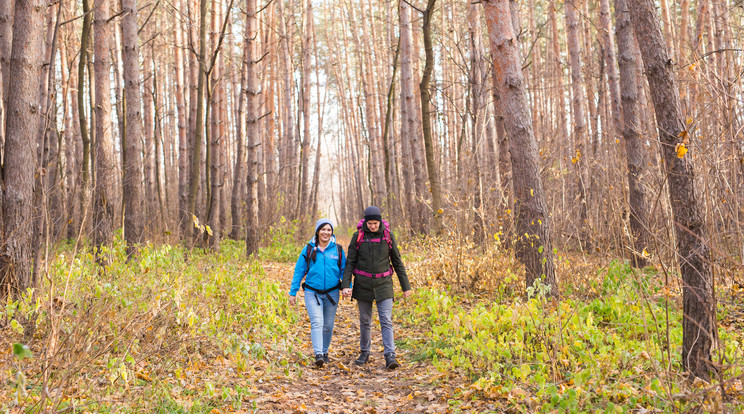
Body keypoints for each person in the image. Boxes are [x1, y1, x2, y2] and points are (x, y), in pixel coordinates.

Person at [342, 206, 412, 369]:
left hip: (384, 284)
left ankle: (390, 355)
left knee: (386, 320)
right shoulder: (357, 237)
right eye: (370, 223)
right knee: (365, 320)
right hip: (363, 284)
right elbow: (350, 262)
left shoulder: (388, 236)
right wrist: (346, 284)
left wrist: (405, 287)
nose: (373, 226)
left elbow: (397, 262)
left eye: (375, 223)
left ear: (380, 222)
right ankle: (365, 352)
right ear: (365, 222)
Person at [289, 218, 346, 367]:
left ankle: (325, 352)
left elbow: (344, 271)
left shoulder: (338, 250)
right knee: (317, 322)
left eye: (329, 230)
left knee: (328, 325)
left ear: (332, 232)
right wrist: (292, 292)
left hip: (332, 294)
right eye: (323, 229)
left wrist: (347, 286)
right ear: (318, 231)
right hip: (311, 292)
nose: (326, 232)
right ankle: (318, 353)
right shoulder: (308, 249)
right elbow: (299, 271)